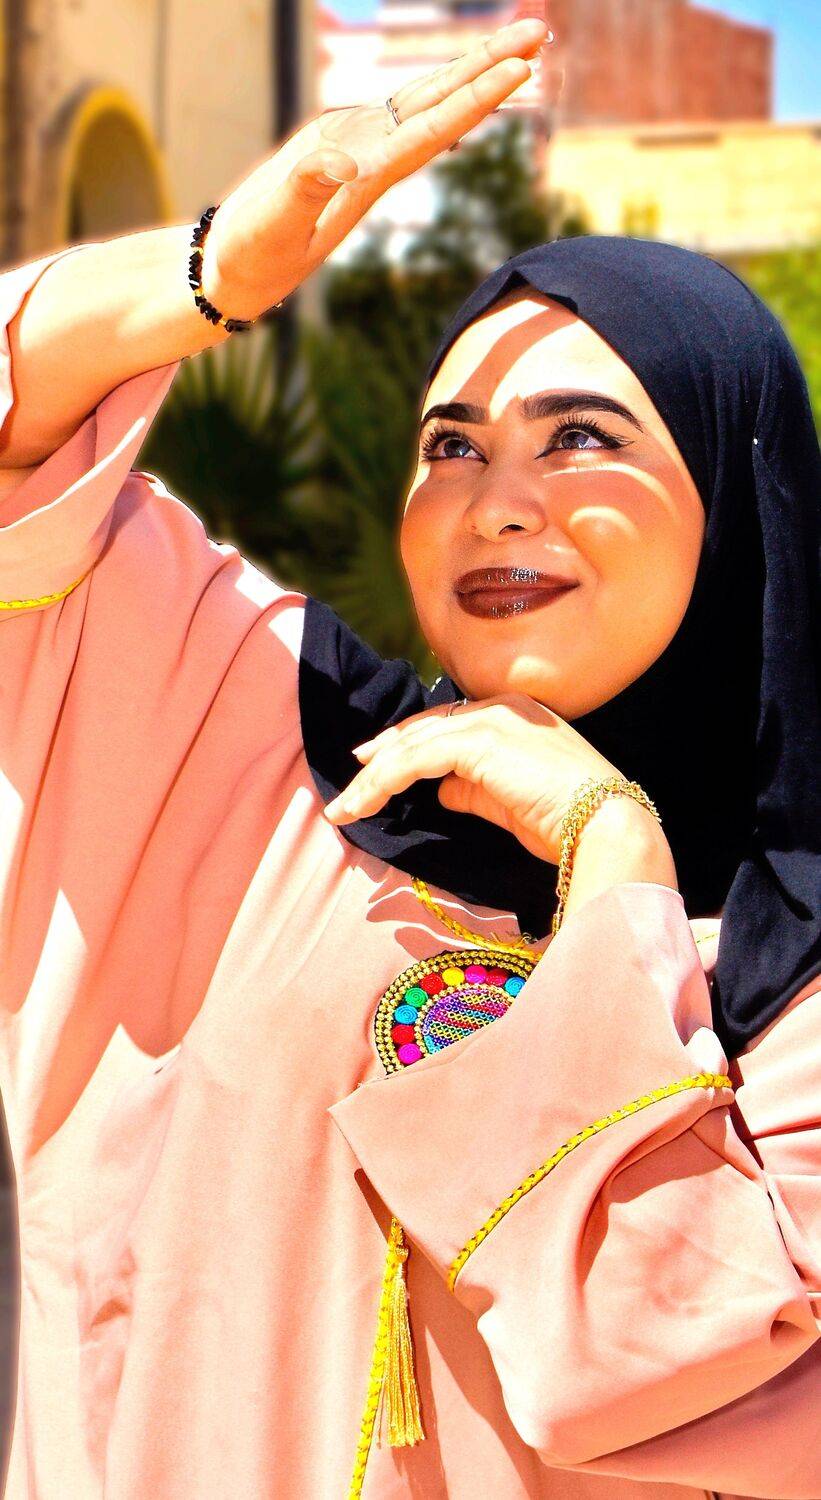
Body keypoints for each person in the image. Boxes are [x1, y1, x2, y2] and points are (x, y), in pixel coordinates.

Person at [0, 18, 818, 1499]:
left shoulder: (801, 975)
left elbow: (646, 1364)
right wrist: (213, 272)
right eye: (452, 446)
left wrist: (613, 860)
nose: (495, 501)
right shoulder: (258, 744)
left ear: (733, 492)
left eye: (581, 439)